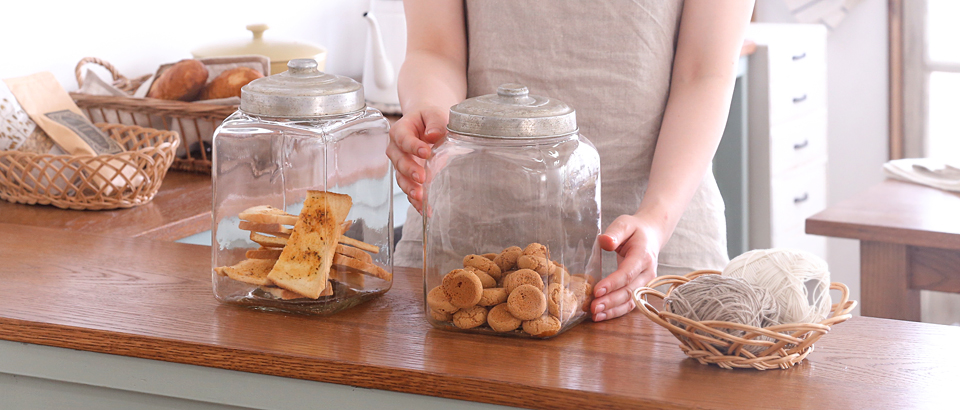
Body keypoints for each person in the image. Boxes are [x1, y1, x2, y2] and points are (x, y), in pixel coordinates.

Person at [387, 0, 755, 322]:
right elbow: (434, 50)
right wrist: (429, 111)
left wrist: (655, 222)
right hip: (462, 250)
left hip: (652, 251)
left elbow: (703, 74)